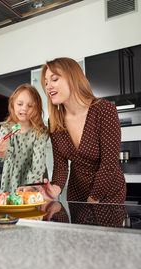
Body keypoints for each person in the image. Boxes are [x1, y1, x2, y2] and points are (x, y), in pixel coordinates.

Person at [36, 57, 126, 227]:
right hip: (76, 194)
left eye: (54, 79)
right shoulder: (54, 121)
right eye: (46, 82)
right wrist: (54, 190)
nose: (48, 87)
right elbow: (61, 166)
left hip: (108, 193)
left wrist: (93, 199)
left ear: (73, 78)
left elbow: (109, 164)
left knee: (106, 248)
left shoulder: (104, 110)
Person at [0, 83, 48, 193]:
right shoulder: (6, 129)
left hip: (32, 179)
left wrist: (32, 186)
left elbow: (38, 162)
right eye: (20, 104)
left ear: (37, 108)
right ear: (13, 104)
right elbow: (3, 156)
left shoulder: (40, 132)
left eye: (30, 106)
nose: (24, 109)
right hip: (11, 178)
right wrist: (1, 151)